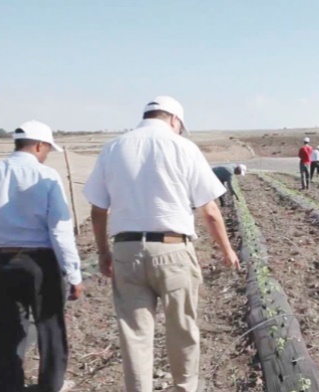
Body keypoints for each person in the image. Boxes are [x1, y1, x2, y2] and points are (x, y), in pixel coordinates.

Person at [83, 96, 240, 392]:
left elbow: (97, 210)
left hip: (126, 250)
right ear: (174, 120)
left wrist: (104, 253)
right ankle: (183, 387)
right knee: (182, 328)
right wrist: (227, 250)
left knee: (135, 334)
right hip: (173, 250)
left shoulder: (113, 148)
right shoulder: (183, 147)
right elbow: (209, 211)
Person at [0, 121, 82, 392]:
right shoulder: (47, 176)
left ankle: (9, 387)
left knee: (6, 334)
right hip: (41, 263)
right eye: (47, 150)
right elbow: (60, 229)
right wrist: (73, 273)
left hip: (1, 262)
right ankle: (51, 386)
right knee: (50, 329)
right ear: (40, 146)